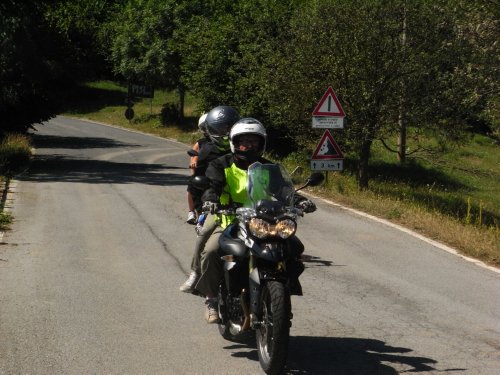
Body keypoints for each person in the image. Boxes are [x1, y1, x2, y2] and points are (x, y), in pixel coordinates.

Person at [192, 118, 316, 323]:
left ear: (262, 143)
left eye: (254, 142)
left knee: (293, 248)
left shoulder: (269, 167)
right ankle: (211, 300)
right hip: (230, 219)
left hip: (263, 221)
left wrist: (300, 200)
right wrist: (211, 199)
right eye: (244, 141)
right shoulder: (221, 164)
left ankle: (283, 294)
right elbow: (211, 186)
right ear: (234, 142)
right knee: (213, 251)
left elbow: (283, 190)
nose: (249, 146)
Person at [179, 105, 240, 291]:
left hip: (246, 206)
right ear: (212, 130)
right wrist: (202, 208)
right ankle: (195, 273)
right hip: (217, 205)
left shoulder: (244, 150)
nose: (226, 132)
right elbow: (198, 184)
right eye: (221, 128)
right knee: (204, 236)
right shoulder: (207, 152)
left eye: (229, 127)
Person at [186, 113, 210, 224]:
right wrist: (194, 161)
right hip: (201, 171)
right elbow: (194, 153)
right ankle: (192, 211)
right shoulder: (201, 142)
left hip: (218, 172)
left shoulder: (226, 143)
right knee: (191, 187)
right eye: (205, 128)